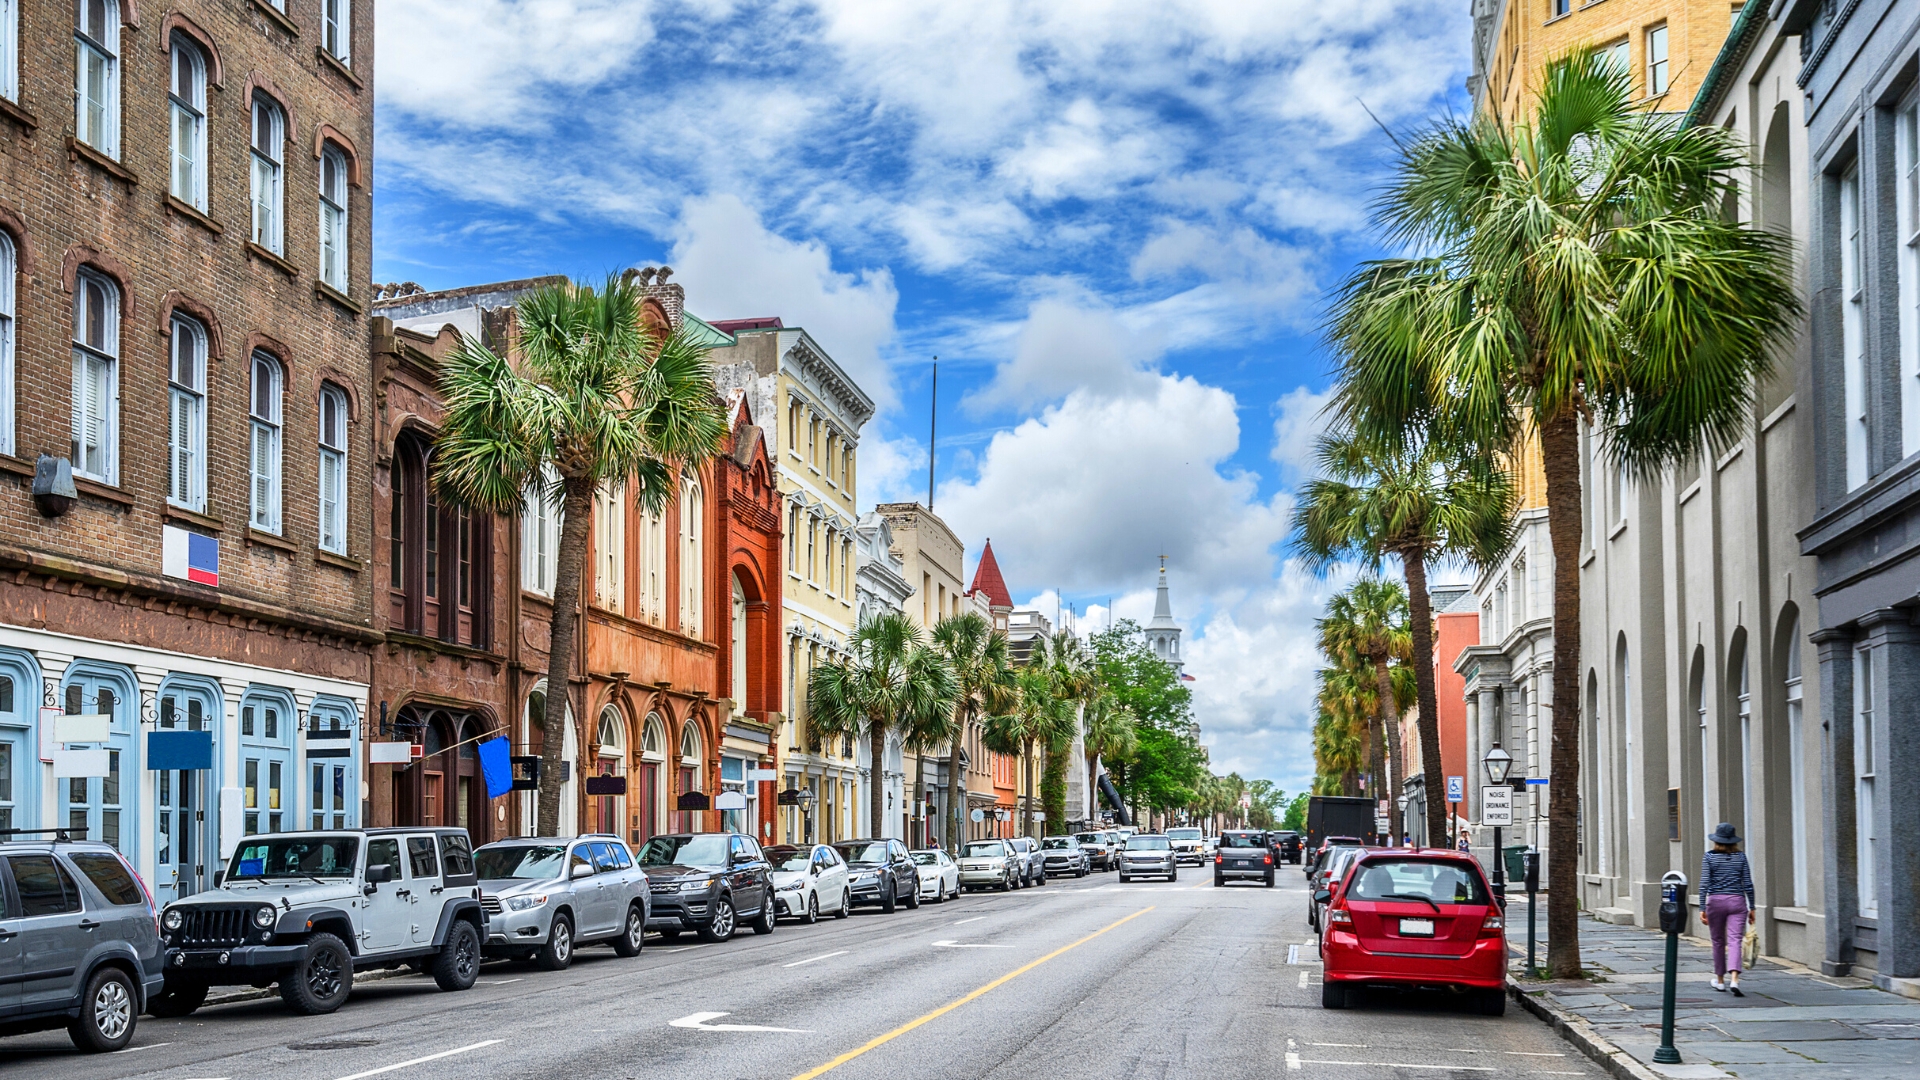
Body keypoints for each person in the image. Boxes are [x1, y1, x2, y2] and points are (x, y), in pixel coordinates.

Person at [1699, 822, 1756, 996]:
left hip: (1715, 901)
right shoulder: (1741, 857)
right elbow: (1747, 883)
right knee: (1734, 941)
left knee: (1717, 941)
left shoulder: (1709, 857)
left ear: (1716, 840)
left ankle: (1720, 981)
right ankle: (1735, 980)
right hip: (1737, 902)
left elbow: (1704, 884)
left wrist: (1702, 907)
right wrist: (1752, 906)